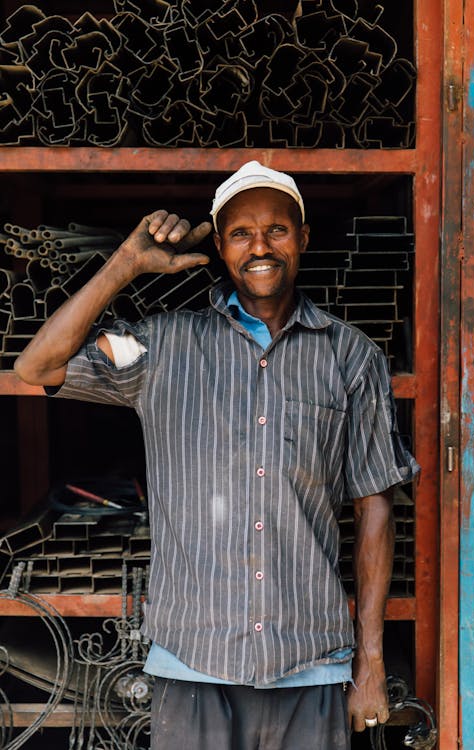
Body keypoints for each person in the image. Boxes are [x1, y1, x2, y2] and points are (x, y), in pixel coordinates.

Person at [15, 161, 419, 749]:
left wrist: (373, 662)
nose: (260, 246)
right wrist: (126, 263)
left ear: (303, 237)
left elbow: (375, 508)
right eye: (240, 233)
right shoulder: (158, 346)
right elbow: (36, 366)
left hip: (309, 659)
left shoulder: (349, 356)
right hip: (192, 661)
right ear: (222, 245)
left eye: (277, 230)